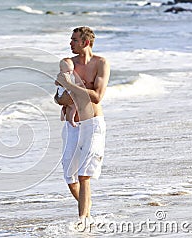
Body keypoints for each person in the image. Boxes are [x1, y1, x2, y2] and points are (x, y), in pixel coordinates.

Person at [55, 26, 110, 232]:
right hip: (72, 126)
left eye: (74, 40)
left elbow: (97, 96)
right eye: (70, 39)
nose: (70, 43)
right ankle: (87, 208)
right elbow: (59, 98)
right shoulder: (69, 64)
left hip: (93, 123)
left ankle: (83, 221)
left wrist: (72, 88)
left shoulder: (101, 63)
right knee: (69, 176)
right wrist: (67, 91)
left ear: (85, 42)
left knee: (84, 174)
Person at [55, 58, 85, 127]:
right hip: (65, 95)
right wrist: (79, 84)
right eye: (68, 71)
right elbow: (70, 86)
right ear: (61, 70)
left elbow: (56, 83)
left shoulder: (60, 75)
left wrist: (58, 83)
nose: (70, 73)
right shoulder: (65, 76)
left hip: (59, 95)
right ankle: (71, 120)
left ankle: (62, 116)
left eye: (71, 70)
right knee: (74, 107)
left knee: (65, 106)